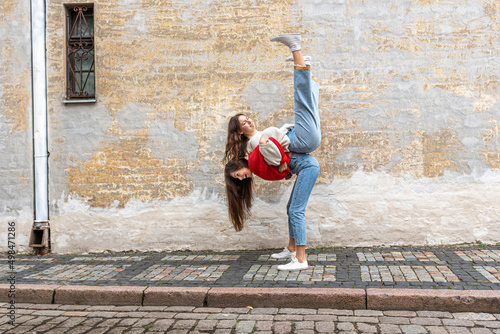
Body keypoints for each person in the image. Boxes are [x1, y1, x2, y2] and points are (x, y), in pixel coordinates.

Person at [224, 33, 321, 271]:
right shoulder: (255, 152)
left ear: (239, 165)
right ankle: (303, 62)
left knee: (304, 102)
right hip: (303, 147)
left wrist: (278, 161)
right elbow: (278, 161)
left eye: (247, 119)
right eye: (243, 123)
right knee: (308, 102)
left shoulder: (256, 146)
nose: (243, 176)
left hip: (303, 143)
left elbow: (275, 156)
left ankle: (300, 259)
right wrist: (282, 166)